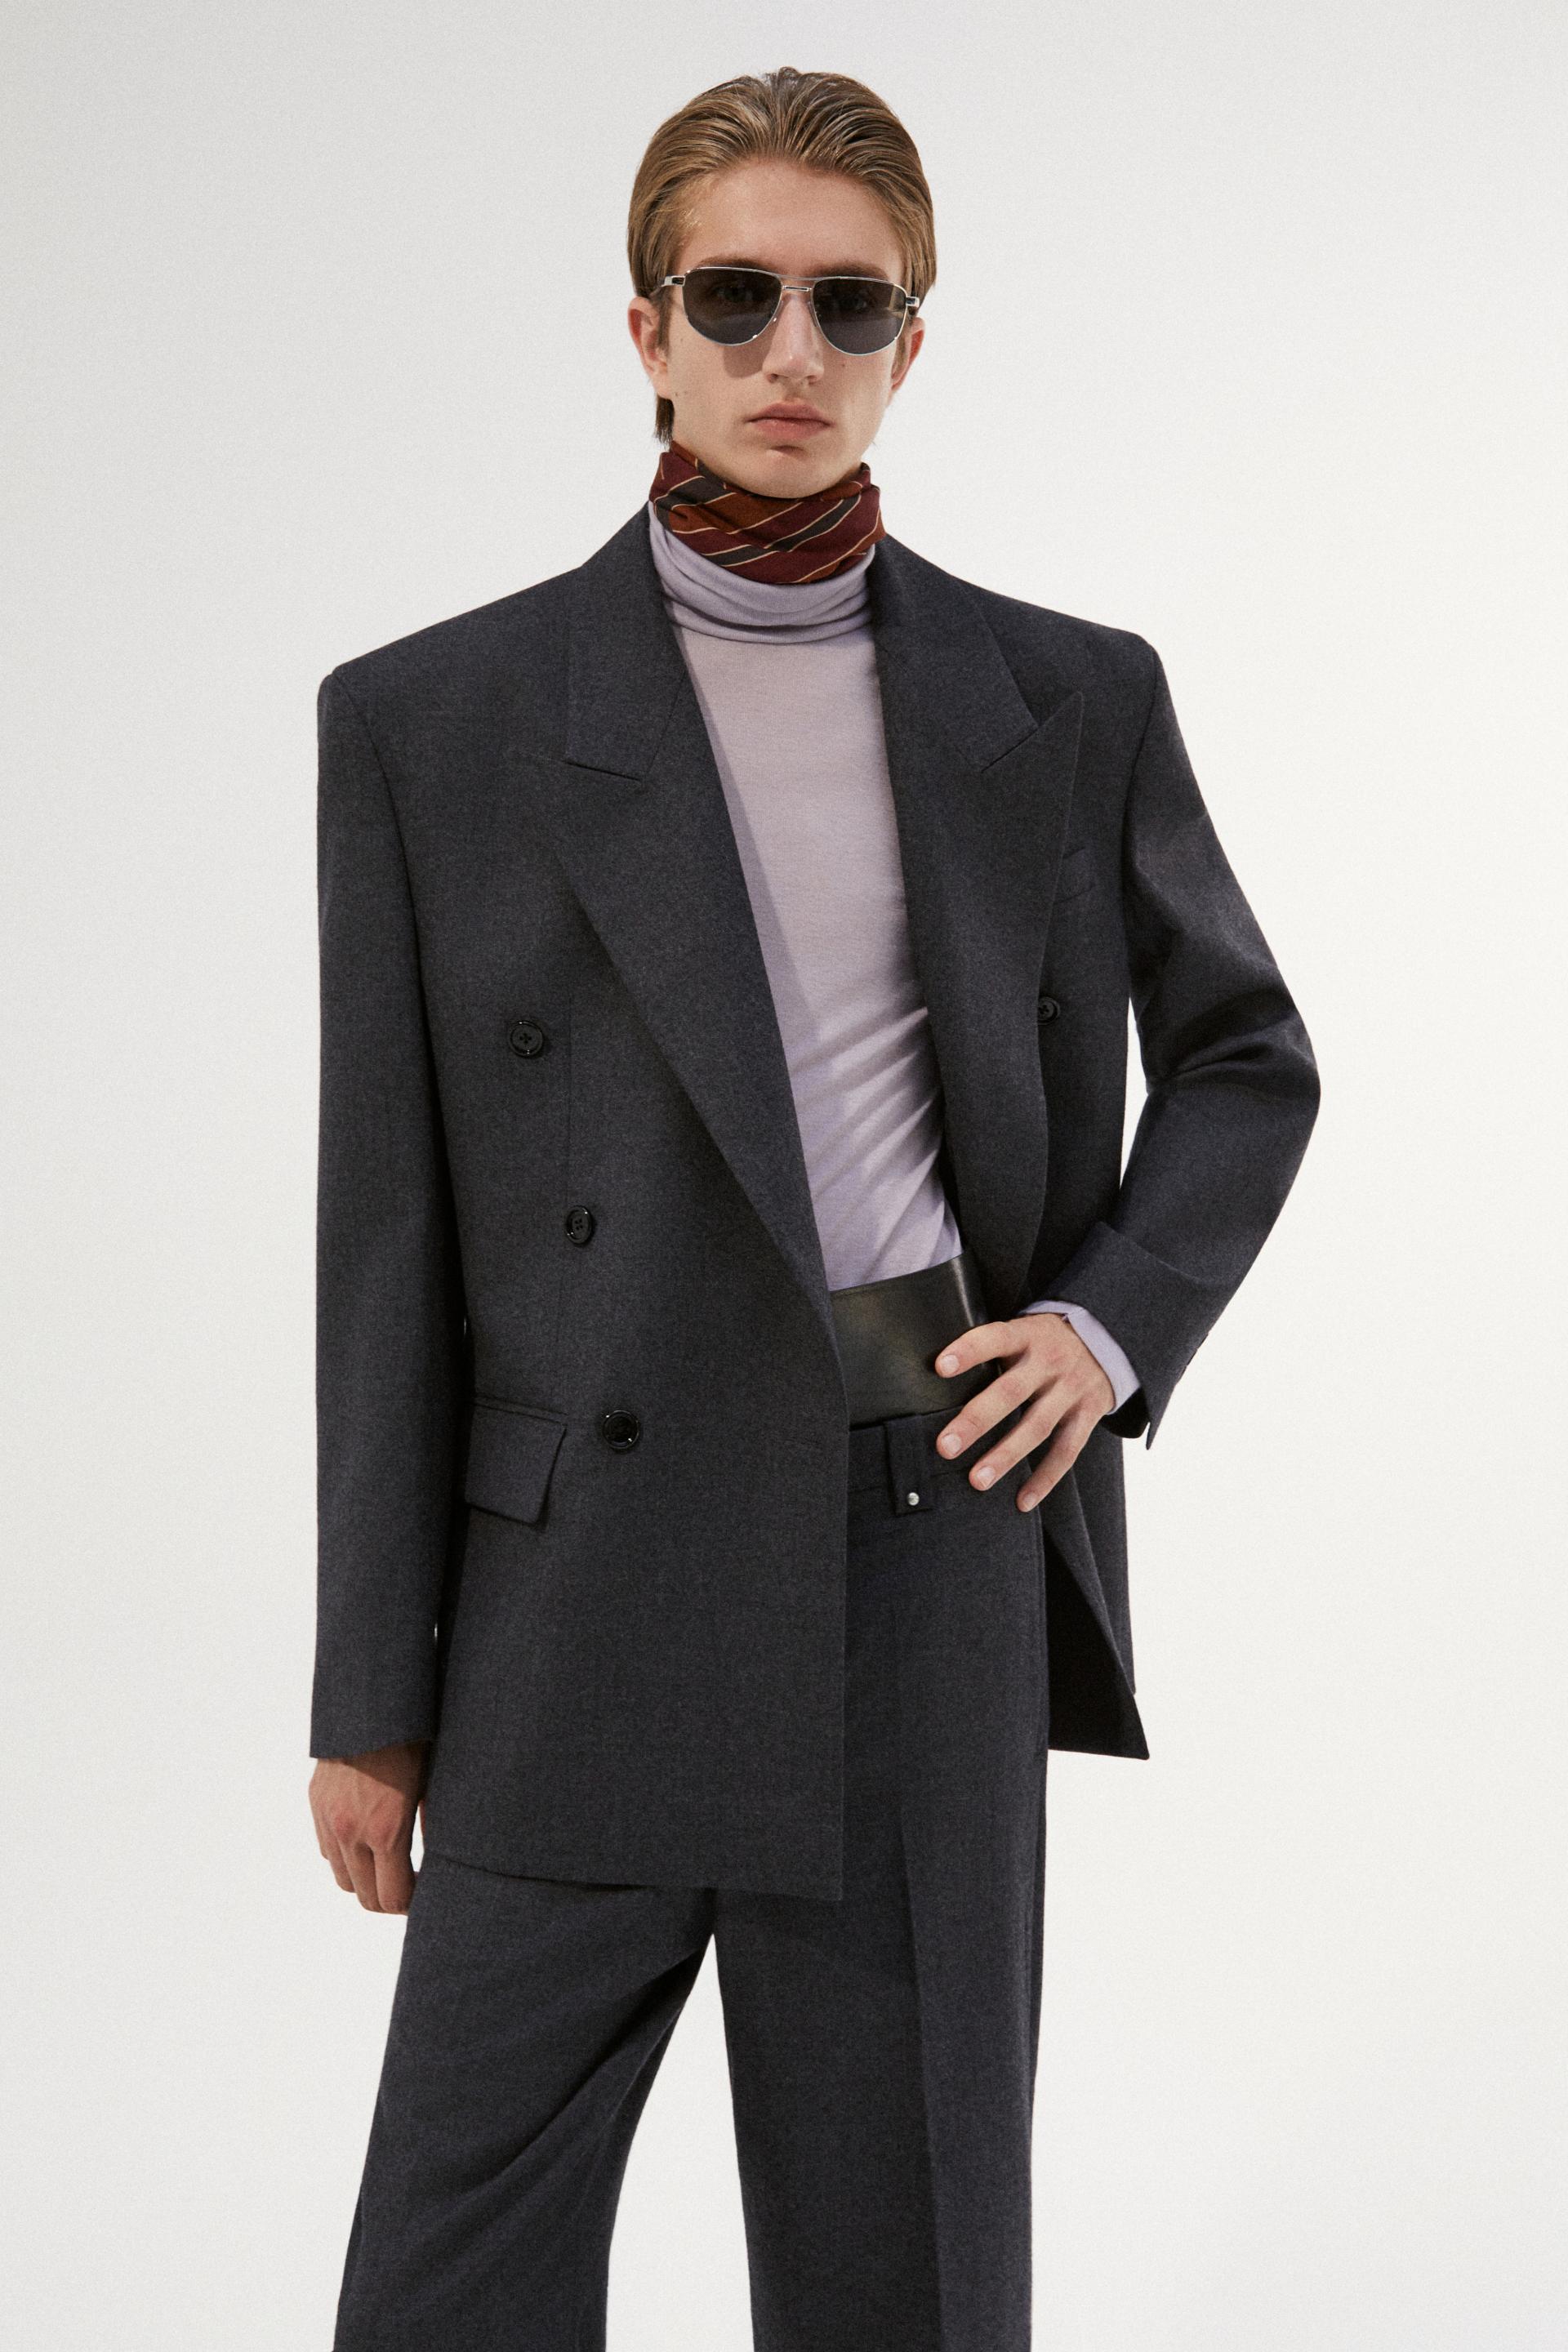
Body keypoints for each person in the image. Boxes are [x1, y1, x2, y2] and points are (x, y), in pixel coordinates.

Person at [306, 65, 1320, 2352]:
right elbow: (386, 1237)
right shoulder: (432, 721)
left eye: (849, 303)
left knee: (908, 2285)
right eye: (736, 296)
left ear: (910, 344)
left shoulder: (1065, 697)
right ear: (646, 330)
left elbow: (1248, 1057)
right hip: (571, 1590)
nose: (792, 348)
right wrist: (370, 1692)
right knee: (446, 2287)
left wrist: (1108, 1328)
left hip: (922, 1531)